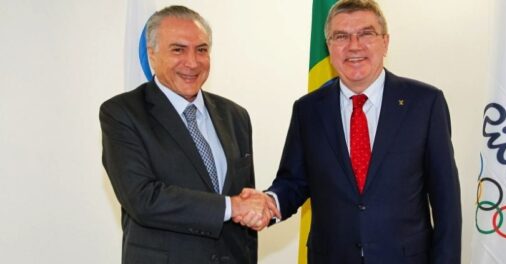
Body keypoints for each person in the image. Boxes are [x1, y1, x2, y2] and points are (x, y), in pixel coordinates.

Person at [253, 0, 462, 263]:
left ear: (385, 42)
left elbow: (446, 201)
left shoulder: (425, 103)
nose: (354, 45)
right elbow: (294, 182)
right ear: (329, 46)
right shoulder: (308, 110)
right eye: (341, 36)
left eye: (366, 33)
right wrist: (268, 203)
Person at [100, 5, 276, 264]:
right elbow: (143, 199)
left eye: (201, 50)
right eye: (178, 49)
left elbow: (243, 201)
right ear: (152, 55)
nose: (192, 62)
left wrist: (257, 209)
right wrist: (231, 207)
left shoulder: (235, 115)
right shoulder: (122, 113)